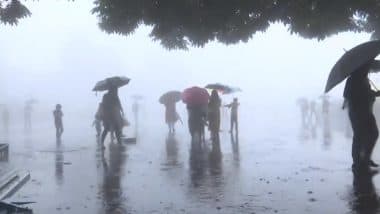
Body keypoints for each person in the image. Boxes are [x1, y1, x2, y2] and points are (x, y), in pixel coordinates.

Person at [344, 60, 380, 171]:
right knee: (359, 136)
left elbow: (367, 93)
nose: (370, 71)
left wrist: (373, 93)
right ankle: (357, 162)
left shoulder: (364, 79)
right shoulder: (353, 79)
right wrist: (373, 93)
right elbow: (347, 95)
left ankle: (365, 159)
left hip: (367, 111)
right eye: (368, 68)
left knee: (373, 133)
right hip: (357, 112)